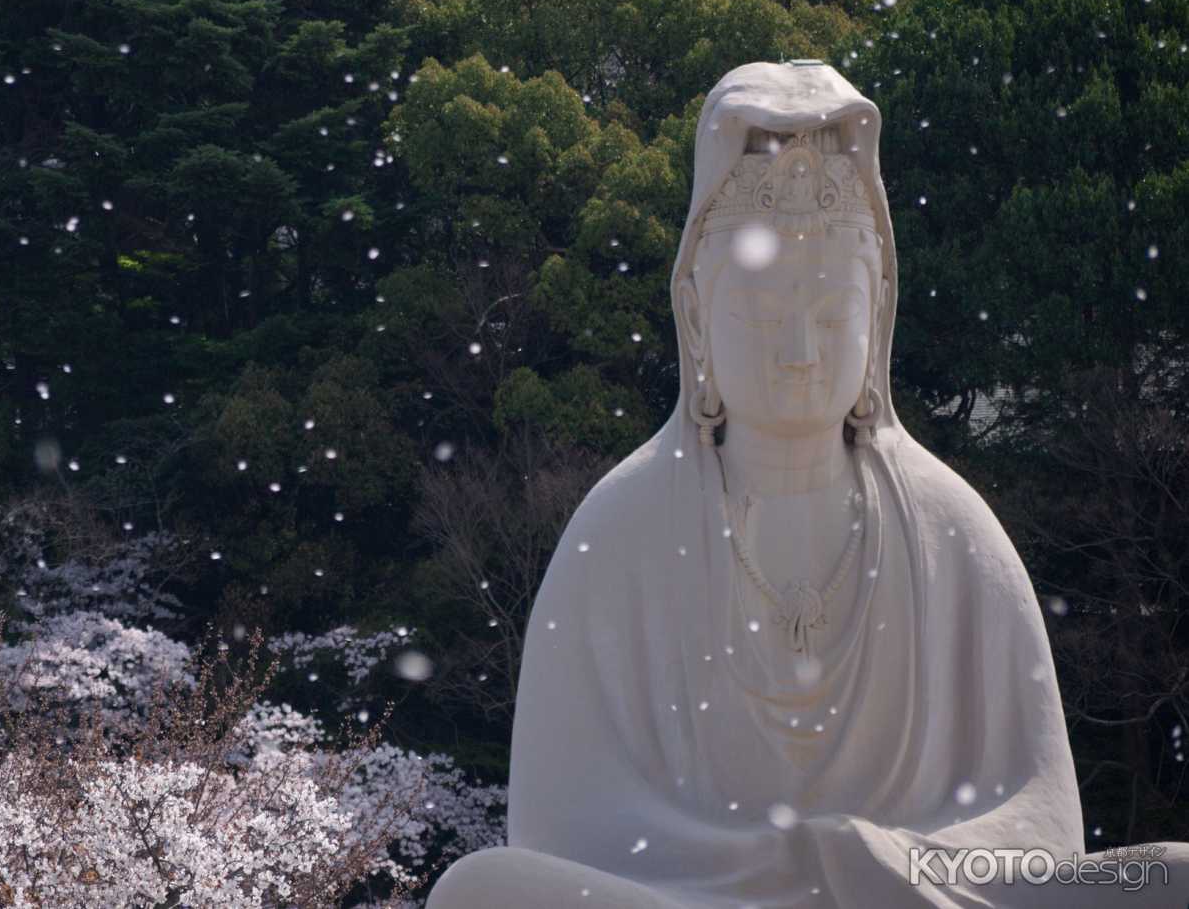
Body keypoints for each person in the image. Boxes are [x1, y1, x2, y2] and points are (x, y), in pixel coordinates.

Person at [426, 61, 1189, 908]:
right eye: (760, 317)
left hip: (913, 894)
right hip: (700, 902)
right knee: (478, 891)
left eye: (832, 316)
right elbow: (561, 824)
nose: (800, 351)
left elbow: (1042, 827)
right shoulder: (622, 529)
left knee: (1167, 876)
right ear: (697, 322)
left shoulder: (949, 527)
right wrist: (802, 866)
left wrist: (886, 863)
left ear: (878, 320)